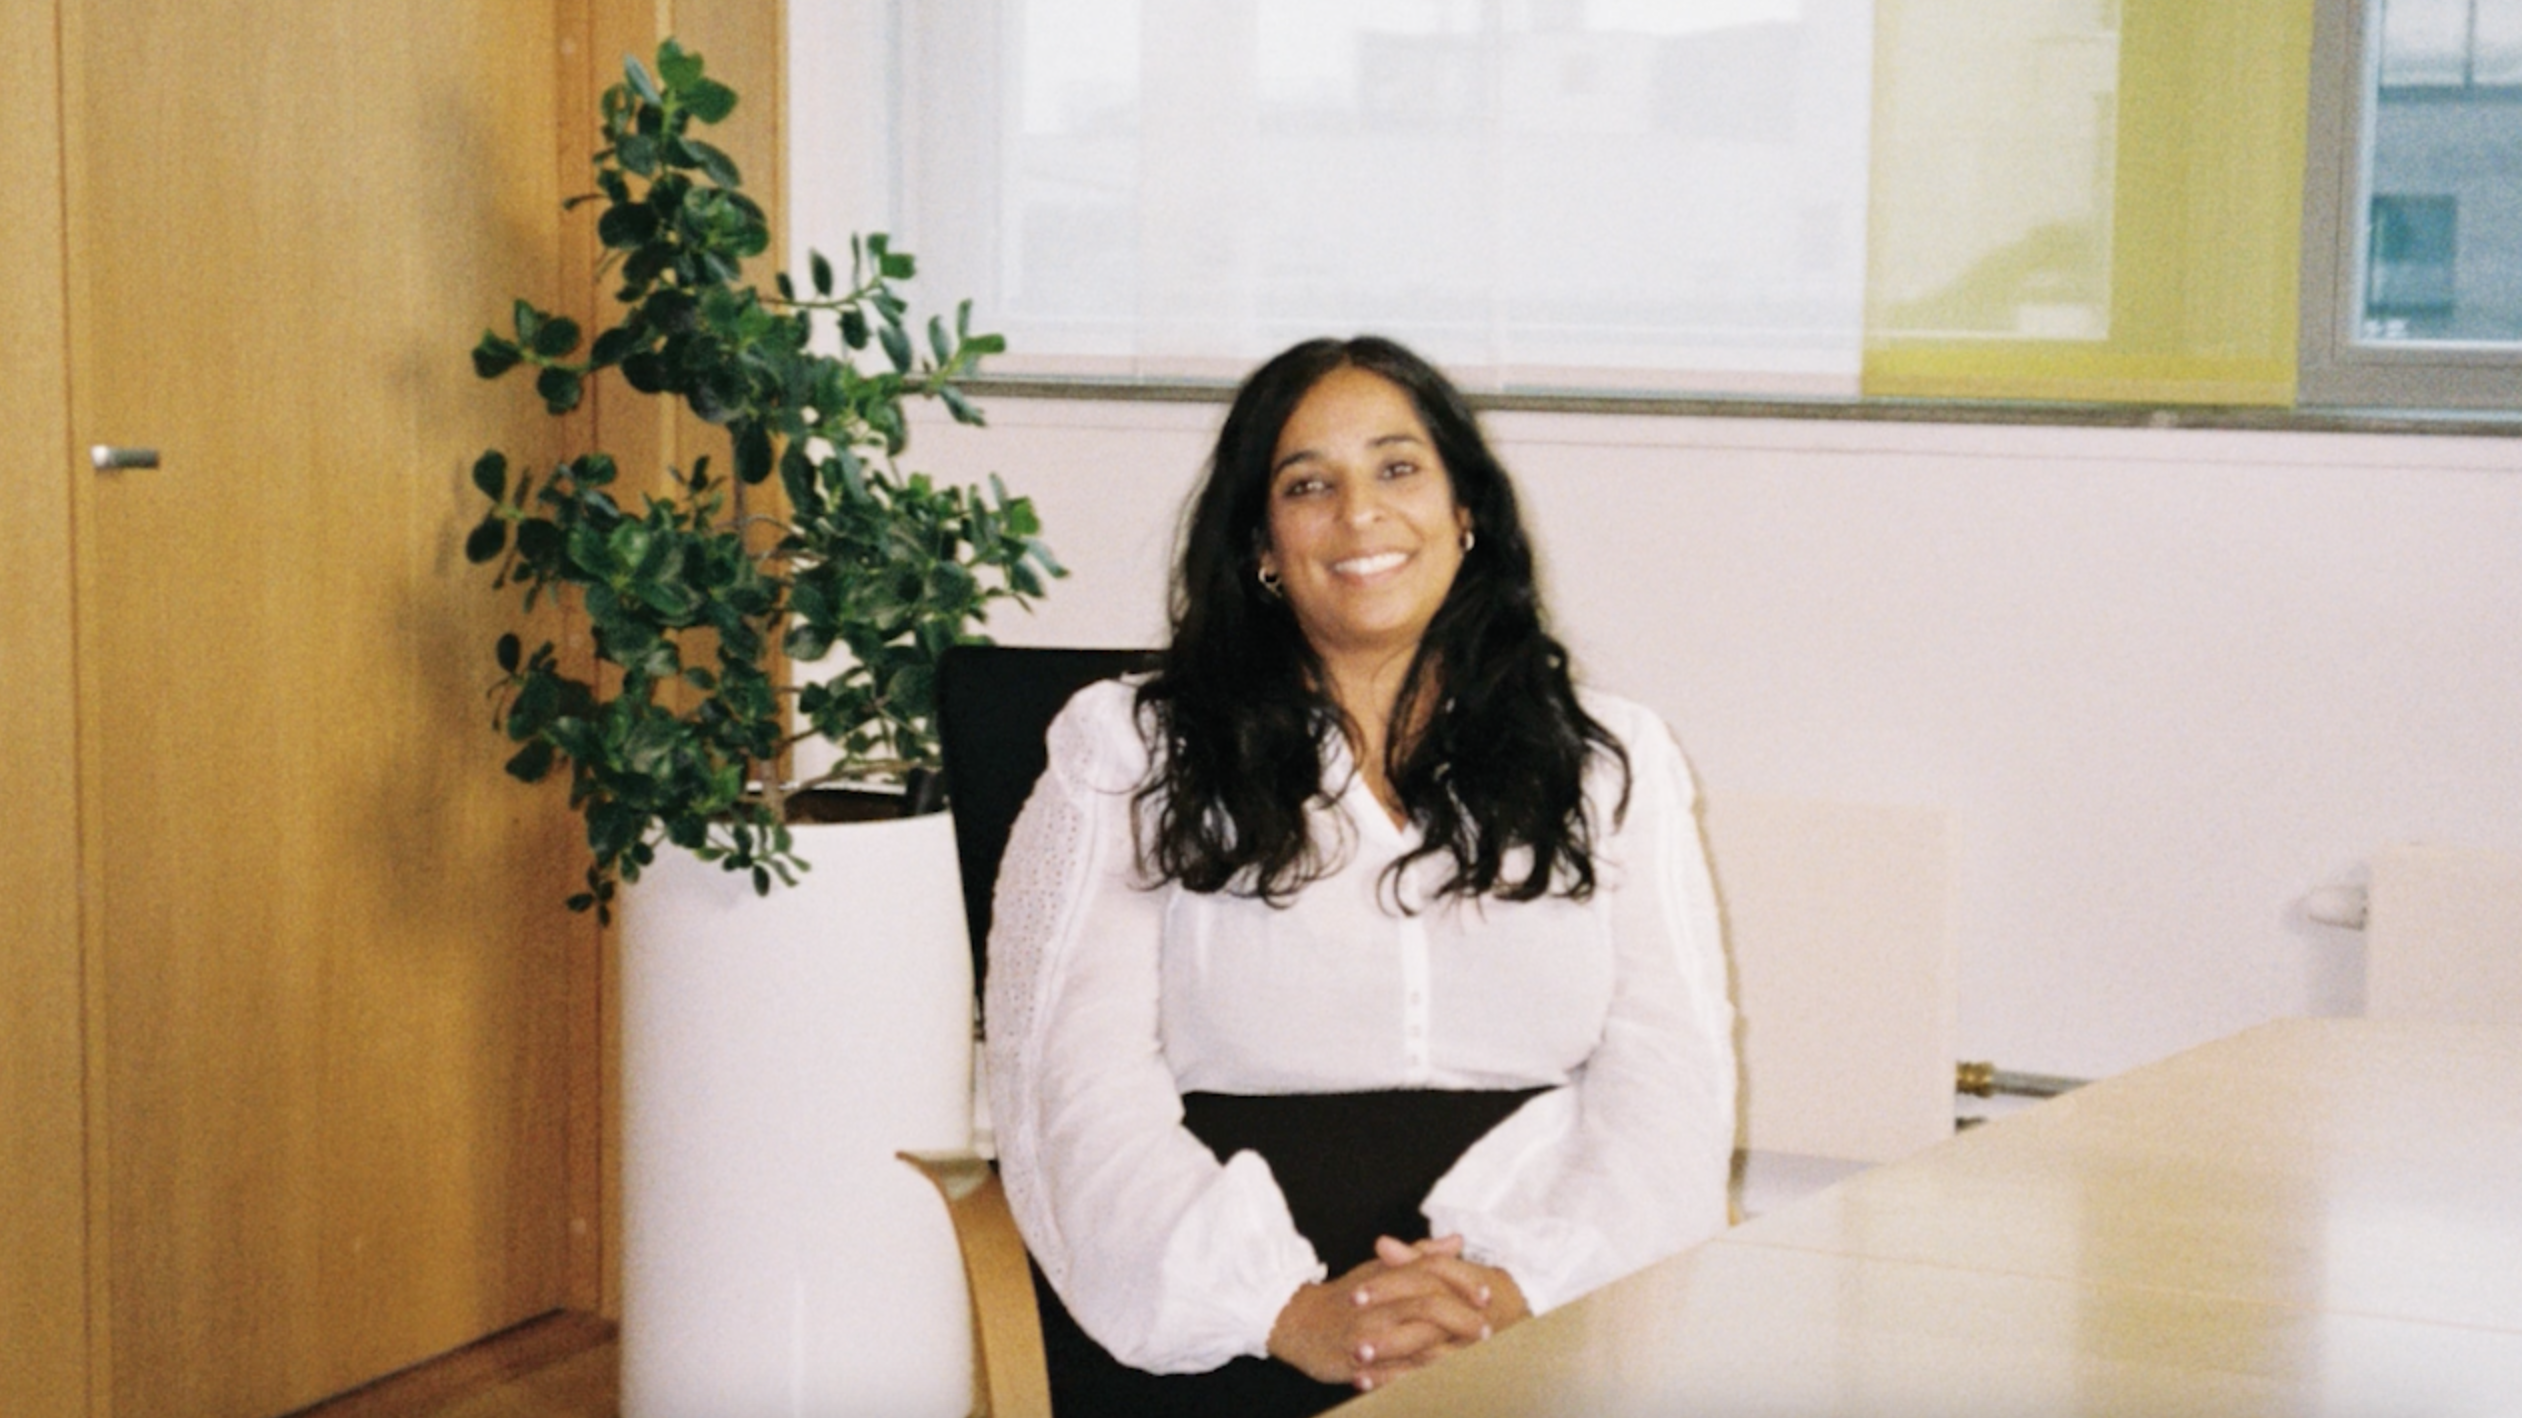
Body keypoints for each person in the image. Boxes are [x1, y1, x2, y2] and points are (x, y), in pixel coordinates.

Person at [983, 336, 1735, 1416]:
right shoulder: (1129, 750)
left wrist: (1515, 1291)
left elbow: (1670, 1077)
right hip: (1227, 1315)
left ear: (1464, 510)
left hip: (1540, 1294)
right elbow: (1070, 1082)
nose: (1358, 513)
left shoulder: (1608, 757)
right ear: (1259, 542)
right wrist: (1288, 1310)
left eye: (1396, 468)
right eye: (1306, 484)